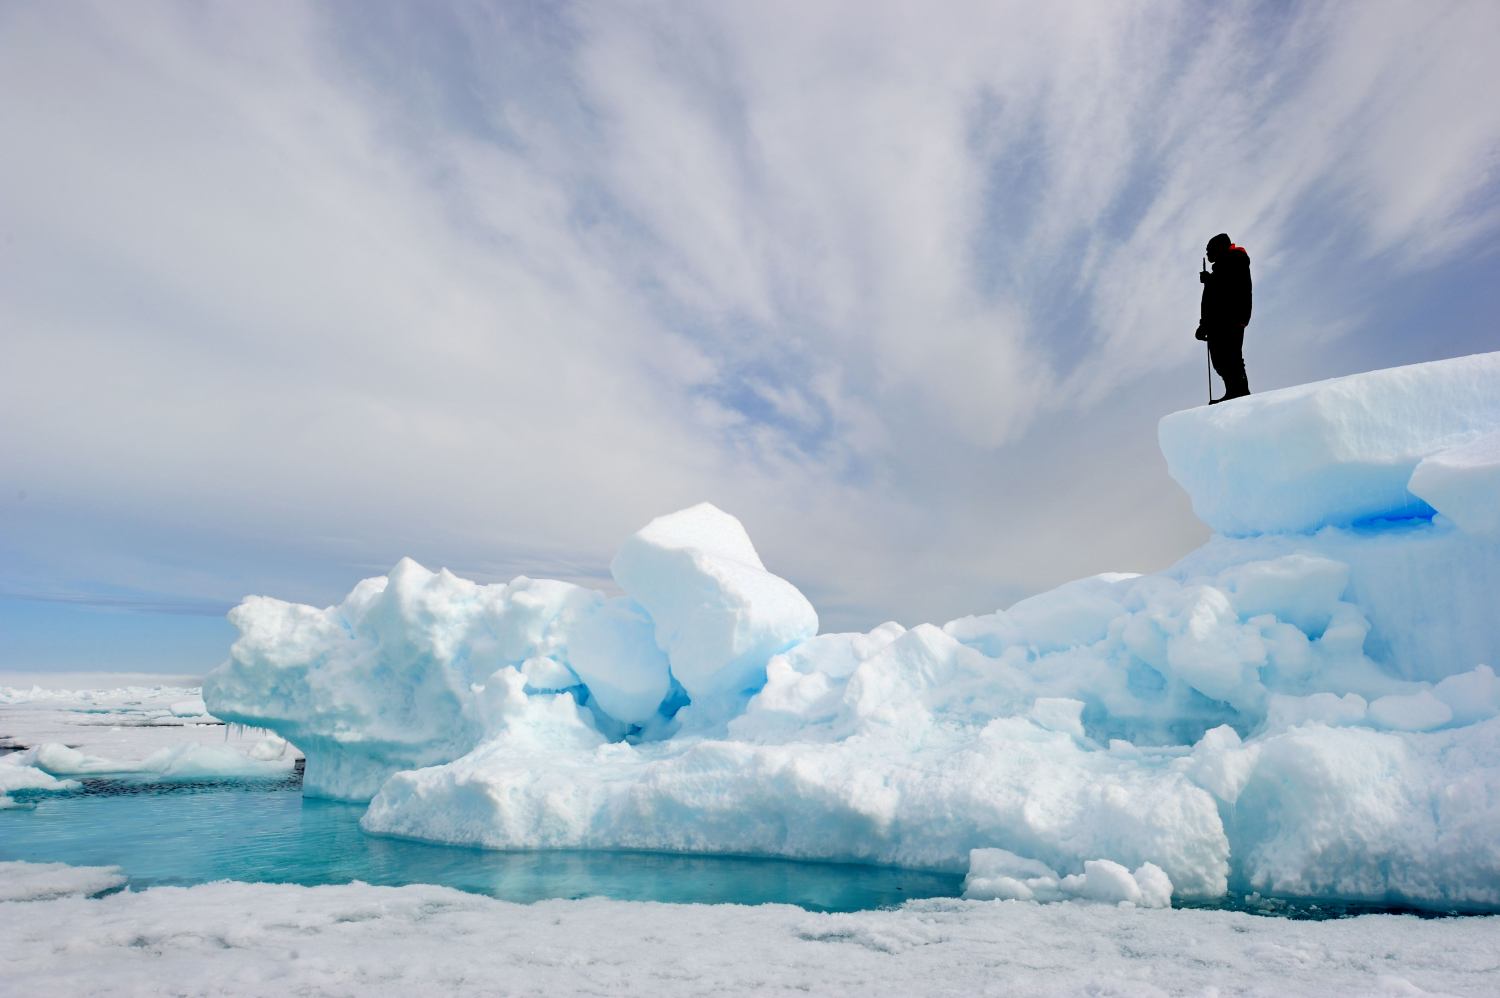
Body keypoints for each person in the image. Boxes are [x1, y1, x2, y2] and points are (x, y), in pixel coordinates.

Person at [1195, 232, 1252, 403]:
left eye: (1209, 249)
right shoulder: (1223, 266)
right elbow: (1213, 299)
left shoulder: (1236, 260)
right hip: (1218, 321)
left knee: (1230, 357)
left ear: (1219, 247)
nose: (1207, 254)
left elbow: (1229, 289)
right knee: (1221, 360)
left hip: (1230, 318)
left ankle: (1239, 393)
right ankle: (1233, 392)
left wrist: (1210, 280)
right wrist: (1203, 324)